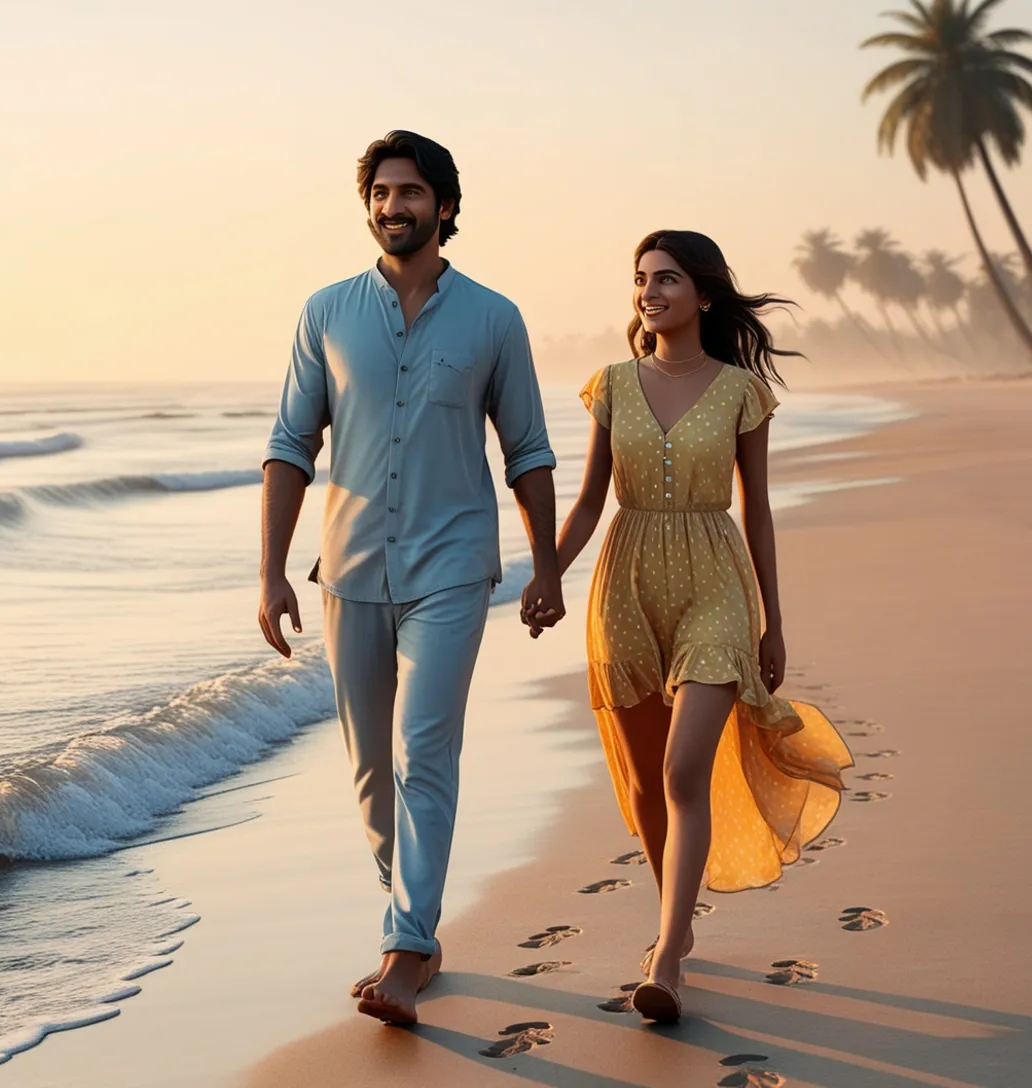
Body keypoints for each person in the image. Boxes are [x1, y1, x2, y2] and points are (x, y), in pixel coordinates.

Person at [258, 131, 563, 1026]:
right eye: (383, 193)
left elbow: (529, 450)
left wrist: (546, 565)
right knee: (369, 774)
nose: (395, 207)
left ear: (446, 208)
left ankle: (404, 945)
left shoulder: (494, 319)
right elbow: (289, 446)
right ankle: (417, 923)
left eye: (412, 192)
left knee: (423, 750)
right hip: (347, 570)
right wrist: (271, 573)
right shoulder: (325, 312)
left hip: (452, 568)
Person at [529, 230, 852, 1022]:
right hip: (626, 583)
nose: (649, 291)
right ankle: (677, 916)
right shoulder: (610, 384)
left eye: (666, 278)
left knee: (681, 774)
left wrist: (774, 625)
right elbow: (589, 501)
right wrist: (546, 574)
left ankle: (668, 957)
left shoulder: (742, 390)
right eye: (640, 279)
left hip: (716, 579)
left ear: (703, 294)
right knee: (644, 786)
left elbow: (760, 513)